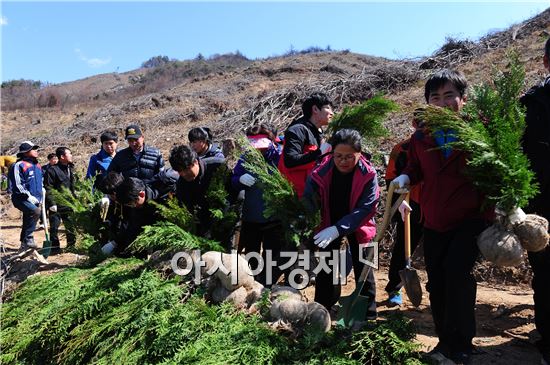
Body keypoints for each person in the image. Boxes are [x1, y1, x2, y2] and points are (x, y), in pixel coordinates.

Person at [392, 69, 494, 364]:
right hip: (435, 218)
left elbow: (497, 171)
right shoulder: (421, 137)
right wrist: (405, 178)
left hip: (471, 218)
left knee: (457, 274)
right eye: (435, 97)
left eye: (449, 95)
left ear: (463, 99)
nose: (442, 102)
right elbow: (415, 167)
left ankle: (462, 342)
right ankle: (444, 341)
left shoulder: (480, 129)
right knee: (436, 281)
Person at [303, 129, 379, 320]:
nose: (343, 161)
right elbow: (308, 200)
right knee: (327, 265)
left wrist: (339, 229)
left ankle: (367, 314)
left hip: (360, 223)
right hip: (328, 220)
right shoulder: (320, 171)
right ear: (331, 153)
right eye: (338, 156)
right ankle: (321, 310)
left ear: (359, 154)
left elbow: (368, 207)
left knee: (365, 266)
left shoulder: (368, 174)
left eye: (349, 157)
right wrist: (306, 221)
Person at [519, 37, 550, 365]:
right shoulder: (531, 103)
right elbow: (516, 152)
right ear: (545, 62)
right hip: (542, 205)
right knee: (546, 272)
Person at [231, 123, 285, 286]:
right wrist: (239, 180)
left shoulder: (279, 156)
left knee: (271, 254)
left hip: (274, 217)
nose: (258, 151)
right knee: (252, 254)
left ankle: (267, 285)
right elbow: (233, 179)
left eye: (262, 148)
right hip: (251, 216)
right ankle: (252, 283)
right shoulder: (246, 157)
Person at [384, 115, 424, 306]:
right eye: (421, 124)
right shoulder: (401, 149)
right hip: (409, 205)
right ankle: (394, 288)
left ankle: (439, 290)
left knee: (437, 252)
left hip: (436, 206)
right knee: (403, 247)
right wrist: (397, 203)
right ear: (414, 124)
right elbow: (390, 178)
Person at [278, 92, 334, 198]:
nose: (332, 113)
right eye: (327, 108)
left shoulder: (318, 131)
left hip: (312, 191)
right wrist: (320, 152)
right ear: (315, 109)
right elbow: (290, 161)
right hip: (295, 195)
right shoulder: (297, 129)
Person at [169, 144, 226, 236]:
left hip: (226, 218)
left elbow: (236, 192)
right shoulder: (181, 184)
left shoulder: (218, 166)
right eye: (180, 171)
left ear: (195, 162)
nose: (184, 174)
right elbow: (187, 209)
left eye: (186, 169)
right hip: (204, 222)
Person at [7, 141, 43, 249]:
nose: (36, 151)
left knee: (28, 218)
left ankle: (23, 243)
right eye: (33, 149)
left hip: (36, 198)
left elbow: (40, 181)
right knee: (35, 212)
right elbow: (18, 185)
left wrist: (42, 193)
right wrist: (28, 196)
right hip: (21, 198)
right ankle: (28, 238)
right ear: (26, 152)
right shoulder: (18, 165)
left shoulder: (37, 165)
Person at [44, 146, 77, 254]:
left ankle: (71, 245)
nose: (71, 155)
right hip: (56, 204)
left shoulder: (71, 167)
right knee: (54, 227)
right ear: (62, 156)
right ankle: (54, 248)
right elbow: (48, 187)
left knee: (70, 225)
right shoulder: (52, 170)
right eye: (69, 153)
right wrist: (52, 203)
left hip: (69, 202)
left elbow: (74, 185)